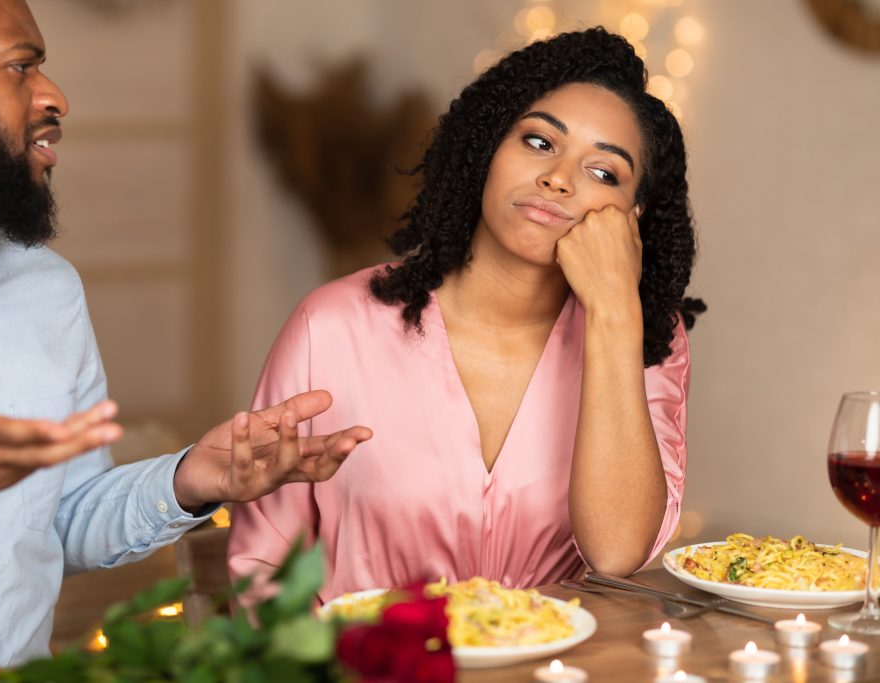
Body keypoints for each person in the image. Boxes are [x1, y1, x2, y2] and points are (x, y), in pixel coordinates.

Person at [0, 0, 372, 667]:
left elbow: (60, 520)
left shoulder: (46, 290)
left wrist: (189, 479)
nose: (55, 97)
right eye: (20, 67)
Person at [228, 27, 705, 604]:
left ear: (632, 216)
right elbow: (264, 570)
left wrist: (613, 311)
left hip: (561, 653)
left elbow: (617, 551)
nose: (558, 179)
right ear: (488, 148)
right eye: (538, 142)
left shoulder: (644, 339)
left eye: (603, 172)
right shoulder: (330, 327)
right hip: (365, 653)